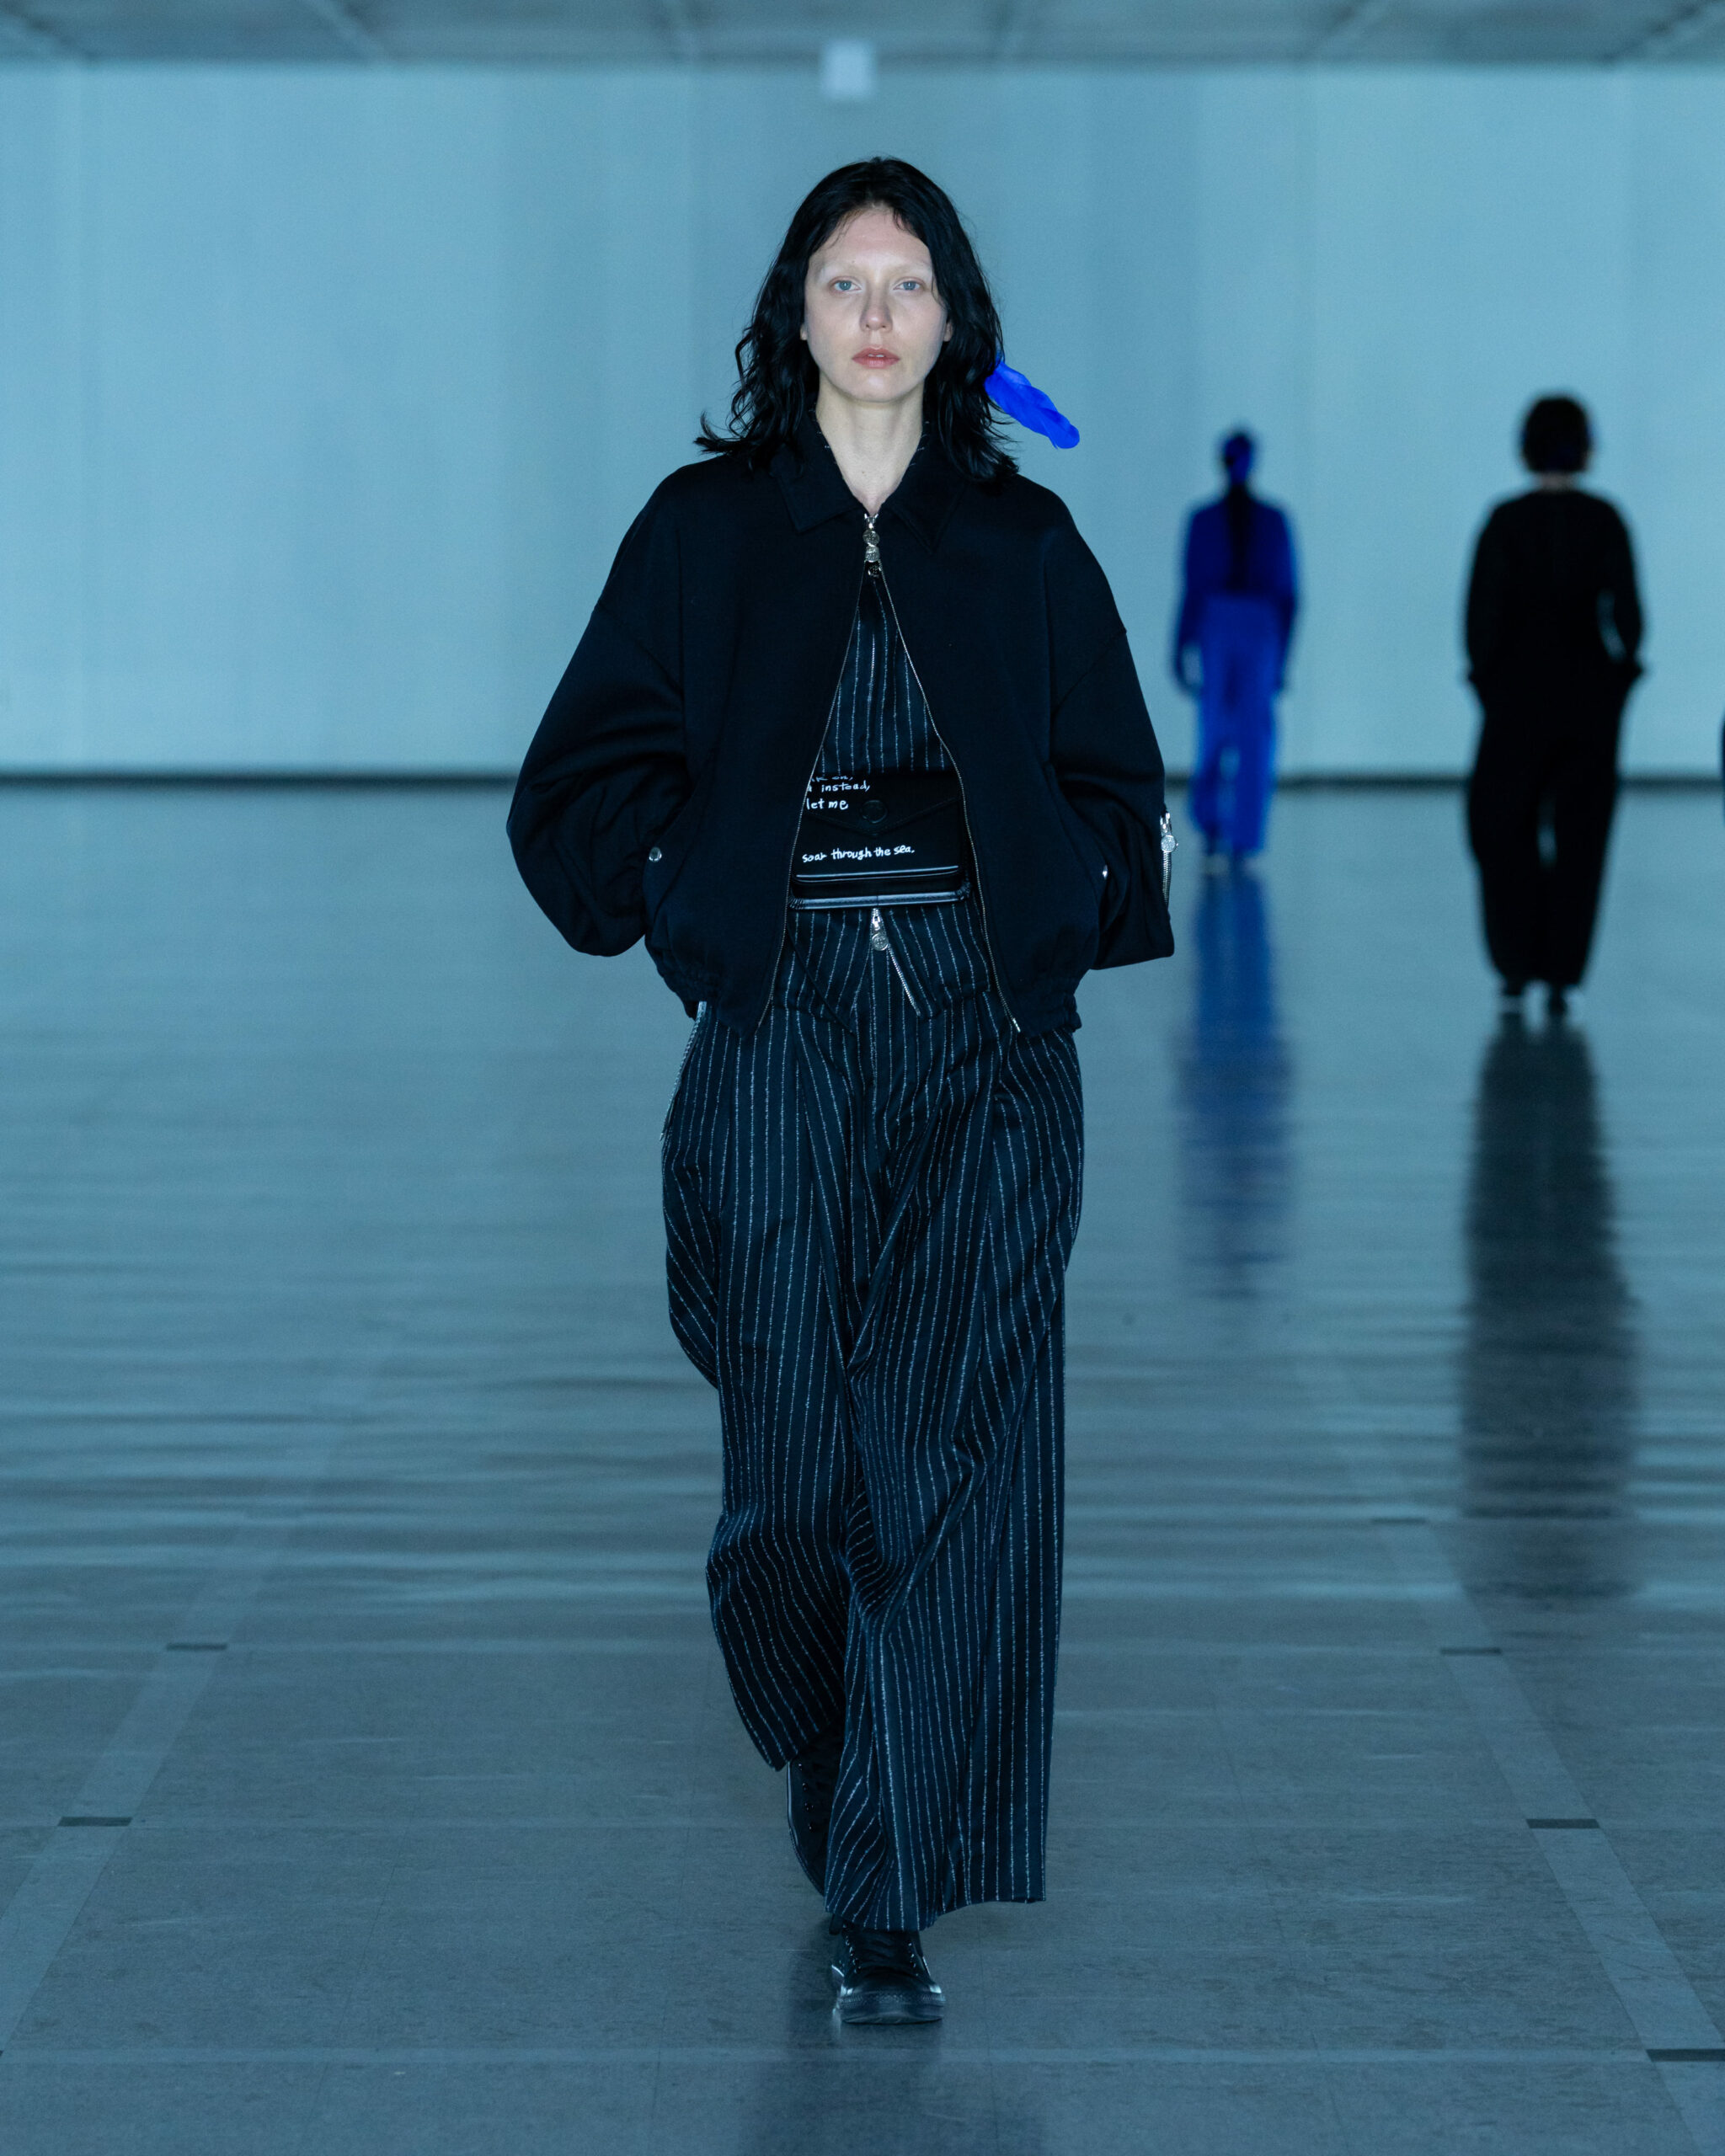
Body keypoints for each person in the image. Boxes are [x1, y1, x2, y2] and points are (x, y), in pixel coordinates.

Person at [508, 158, 1173, 2026]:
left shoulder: (1022, 543)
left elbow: (1114, 780)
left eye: (907, 282)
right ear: (790, 314)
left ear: (955, 319)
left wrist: (1061, 899)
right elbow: (573, 787)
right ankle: (827, 1735)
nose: (875, 314)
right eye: (841, 282)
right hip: (778, 1033)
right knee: (793, 1484)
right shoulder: (703, 531)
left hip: (987, 1048)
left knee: (943, 1455)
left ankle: (887, 1894)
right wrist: (687, 893)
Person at [1464, 395, 1642, 1018]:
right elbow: (1628, 614)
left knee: (1501, 828)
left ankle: (1517, 964)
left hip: (1516, 696)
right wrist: (1622, 675)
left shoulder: (1506, 521)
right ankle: (1564, 973)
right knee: (1582, 838)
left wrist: (1487, 680)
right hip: (1589, 694)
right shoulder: (1604, 519)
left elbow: (1481, 615)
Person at [1171, 430, 1299, 862]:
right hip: (1221, 619)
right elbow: (1191, 586)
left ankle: (1244, 833)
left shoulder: (1272, 520)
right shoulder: (1205, 520)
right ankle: (1211, 821)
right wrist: (1181, 644)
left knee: (1253, 733)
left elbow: (1288, 594)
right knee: (1214, 727)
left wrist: (1283, 656)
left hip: (1257, 622)